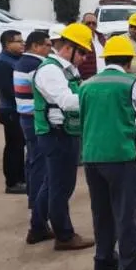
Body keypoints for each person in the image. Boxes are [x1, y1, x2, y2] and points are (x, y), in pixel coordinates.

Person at [78, 35, 136, 270]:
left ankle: (103, 261)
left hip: (92, 158)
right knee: (126, 216)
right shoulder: (131, 82)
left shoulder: (87, 84)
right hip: (121, 157)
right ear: (128, 61)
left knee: (101, 212)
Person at [31, 22, 97, 251]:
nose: (85, 58)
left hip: (63, 133)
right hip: (57, 136)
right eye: (83, 53)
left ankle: (38, 228)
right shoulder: (50, 71)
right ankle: (64, 236)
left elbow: (76, 90)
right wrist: (95, 96)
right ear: (68, 48)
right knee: (61, 187)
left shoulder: (66, 69)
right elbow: (68, 102)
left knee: (51, 184)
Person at [14, 31, 53, 242]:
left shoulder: (22, 63)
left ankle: (34, 205)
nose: (50, 49)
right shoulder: (36, 66)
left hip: (26, 118)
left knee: (33, 164)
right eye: (47, 45)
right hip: (35, 120)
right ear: (36, 46)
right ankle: (38, 221)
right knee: (41, 169)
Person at [0, 29, 27, 194]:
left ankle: (22, 177)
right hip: (10, 111)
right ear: (7, 44)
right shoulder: (2, 63)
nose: (22, 44)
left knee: (20, 147)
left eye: (22, 40)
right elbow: (9, 91)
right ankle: (12, 182)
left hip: (18, 110)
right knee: (14, 147)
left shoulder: (16, 59)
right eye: (18, 41)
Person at [75, 12, 108, 80]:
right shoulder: (77, 40)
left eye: (94, 23)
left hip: (104, 78)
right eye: (88, 23)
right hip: (87, 80)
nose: (91, 25)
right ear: (82, 23)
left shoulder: (101, 39)